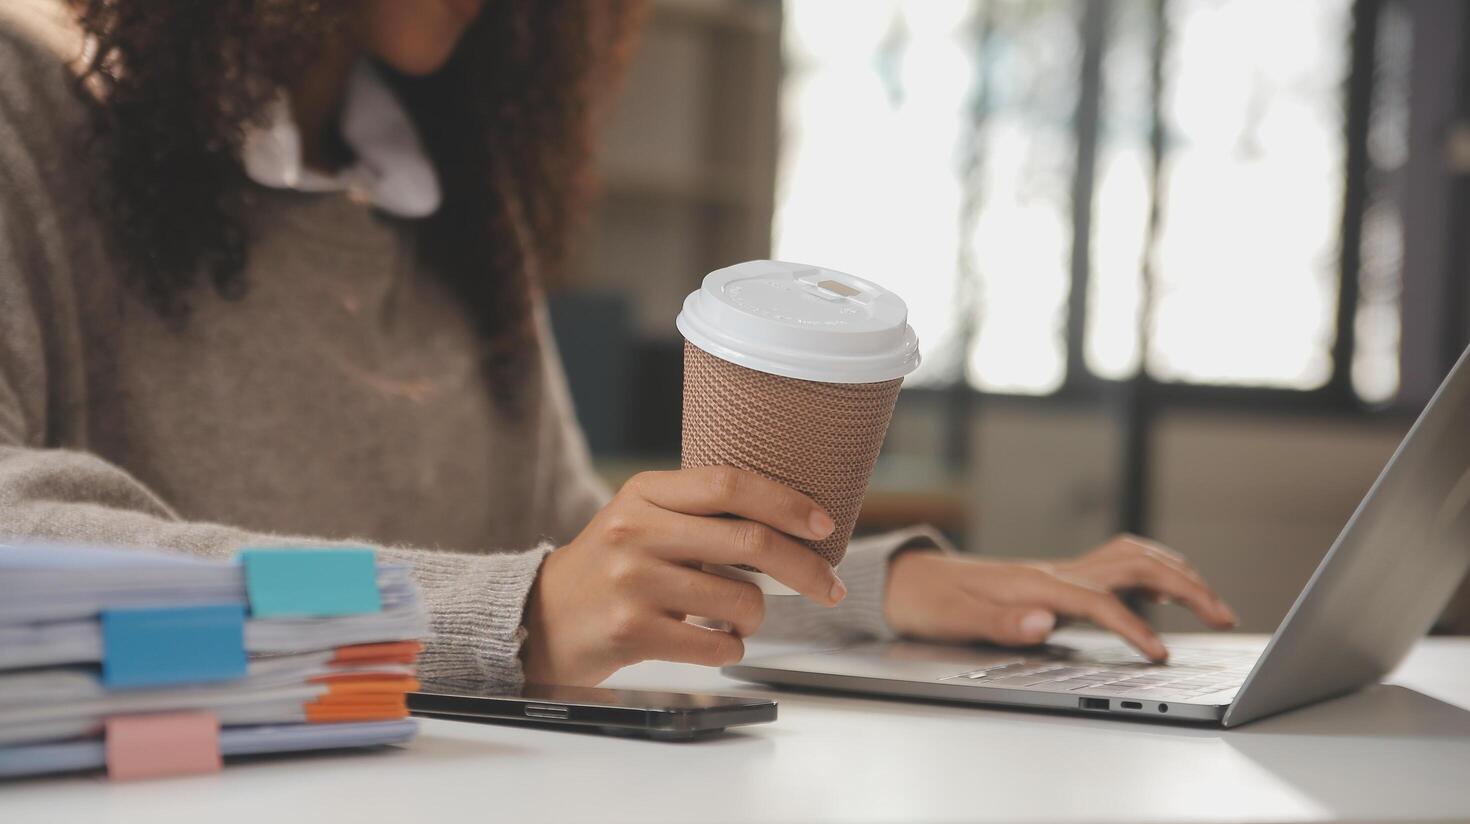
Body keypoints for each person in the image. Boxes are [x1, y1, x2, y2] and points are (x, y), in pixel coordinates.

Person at [0, 0, 1237, 693]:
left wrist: (868, 590)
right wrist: (512, 610)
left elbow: (569, 540)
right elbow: (16, 539)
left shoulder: (442, 194)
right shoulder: (24, 115)